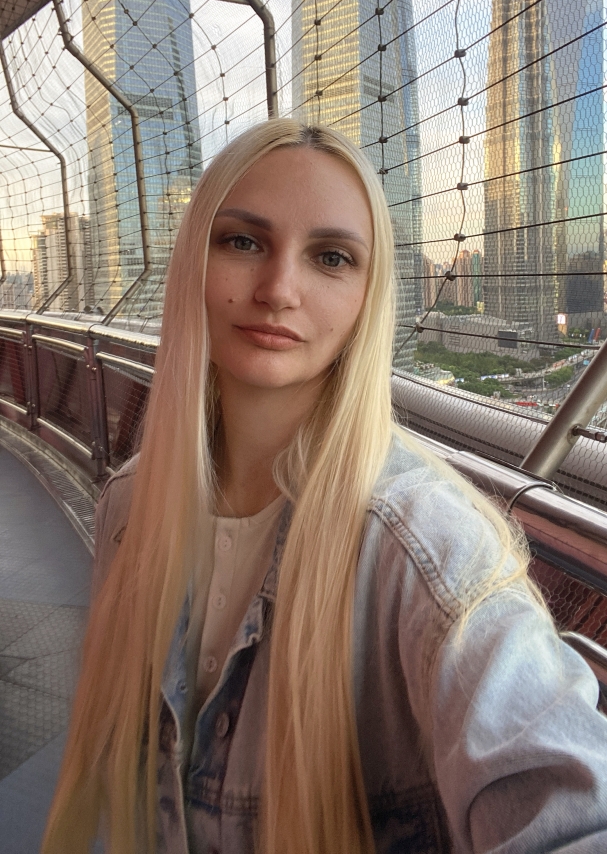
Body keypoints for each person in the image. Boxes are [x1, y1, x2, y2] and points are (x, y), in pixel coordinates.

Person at [43, 119, 607, 854]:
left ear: (368, 298)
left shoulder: (426, 550)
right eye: (242, 242)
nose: (278, 290)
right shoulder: (128, 507)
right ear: (192, 264)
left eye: (331, 257)